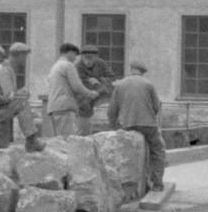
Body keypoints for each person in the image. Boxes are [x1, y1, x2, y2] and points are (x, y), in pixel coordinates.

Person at [108, 60, 166, 191]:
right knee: (158, 150)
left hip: (128, 124)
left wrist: (113, 125)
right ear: (142, 72)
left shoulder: (120, 84)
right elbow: (156, 107)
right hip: (148, 125)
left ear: (130, 69)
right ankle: (157, 183)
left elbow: (112, 110)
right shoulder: (148, 84)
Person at [0, 41, 45, 151]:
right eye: (24, 56)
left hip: (1, 107)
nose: (25, 60)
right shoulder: (4, 70)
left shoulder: (9, 69)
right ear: (18, 56)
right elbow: (9, 95)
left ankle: (32, 138)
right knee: (23, 104)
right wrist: (21, 94)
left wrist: (20, 93)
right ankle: (31, 139)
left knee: (22, 102)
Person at [47, 42, 99, 137]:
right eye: (75, 55)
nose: (75, 58)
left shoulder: (55, 67)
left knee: (60, 139)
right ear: (70, 52)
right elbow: (77, 87)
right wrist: (91, 94)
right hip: (65, 107)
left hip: (55, 107)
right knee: (68, 140)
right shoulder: (68, 65)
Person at [75, 44, 115, 136]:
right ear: (81, 57)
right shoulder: (77, 67)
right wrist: (101, 84)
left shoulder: (101, 63)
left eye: (91, 58)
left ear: (96, 57)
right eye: (85, 58)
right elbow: (84, 86)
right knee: (83, 127)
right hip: (84, 99)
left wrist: (99, 80)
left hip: (102, 94)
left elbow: (112, 77)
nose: (88, 61)